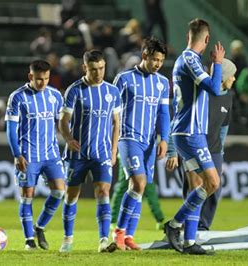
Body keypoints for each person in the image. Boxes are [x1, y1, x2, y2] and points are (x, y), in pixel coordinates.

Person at [163, 18, 225, 255]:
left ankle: (189, 242)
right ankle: (174, 224)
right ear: (207, 39)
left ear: (187, 36)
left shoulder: (188, 60)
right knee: (213, 183)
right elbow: (215, 88)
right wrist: (218, 64)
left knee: (197, 185)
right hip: (190, 132)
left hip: (188, 132)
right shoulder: (189, 59)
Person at [59, 50, 121, 253]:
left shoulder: (112, 92)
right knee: (71, 195)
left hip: (102, 153)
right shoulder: (74, 91)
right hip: (77, 155)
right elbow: (63, 120)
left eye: (101, 68)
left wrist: (113, 151)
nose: (98, 73)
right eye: (94, 69)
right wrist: (68, 138)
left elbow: (116, 123)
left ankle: (104, 240)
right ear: (85, 68)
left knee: (103, 192)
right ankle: (68, 239)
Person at [112, 37, 170, 251]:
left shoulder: (162, 83)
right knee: (138, 183)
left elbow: (164, 113)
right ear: (144, 56)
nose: (157, 64)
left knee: (139, 187)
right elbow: (113, 113)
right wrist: (112, 140)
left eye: (161, 60)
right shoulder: (124, 79)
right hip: (128, 138)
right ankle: (118, 232)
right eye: (154, 59)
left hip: (149, 143)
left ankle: (128, 236)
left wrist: (164, 139)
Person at [166, 58, 237, 231]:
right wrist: (172, 151)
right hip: (194, 146)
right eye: (232, 75)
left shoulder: (228, 98)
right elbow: (178, 119)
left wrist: (220, 151)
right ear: (224, 76)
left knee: (214, 189)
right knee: (194, 187)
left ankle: (203, 226)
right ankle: (186, 226)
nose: (234, 79)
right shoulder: (201, 94)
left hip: (214, 150)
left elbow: (224, 127)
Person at [5, 60, 66, 250]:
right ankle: (29, 240)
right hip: (28, 155)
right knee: (27, 196)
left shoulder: (55, 96)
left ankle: (39, 227)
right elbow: (11, 129)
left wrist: (70, 140)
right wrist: (17, 155)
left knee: (59, 191)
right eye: (39, 79)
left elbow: (62, 124)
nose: (43, 83)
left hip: (51, 154)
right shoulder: (17, 97)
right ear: (30, 76)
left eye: (46, 79)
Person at [110, 157, 166, 231]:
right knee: (124, 187)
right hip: (129, 155)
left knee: (149, 188)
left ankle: (160, 220)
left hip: (143, 156)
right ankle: (113, 221)